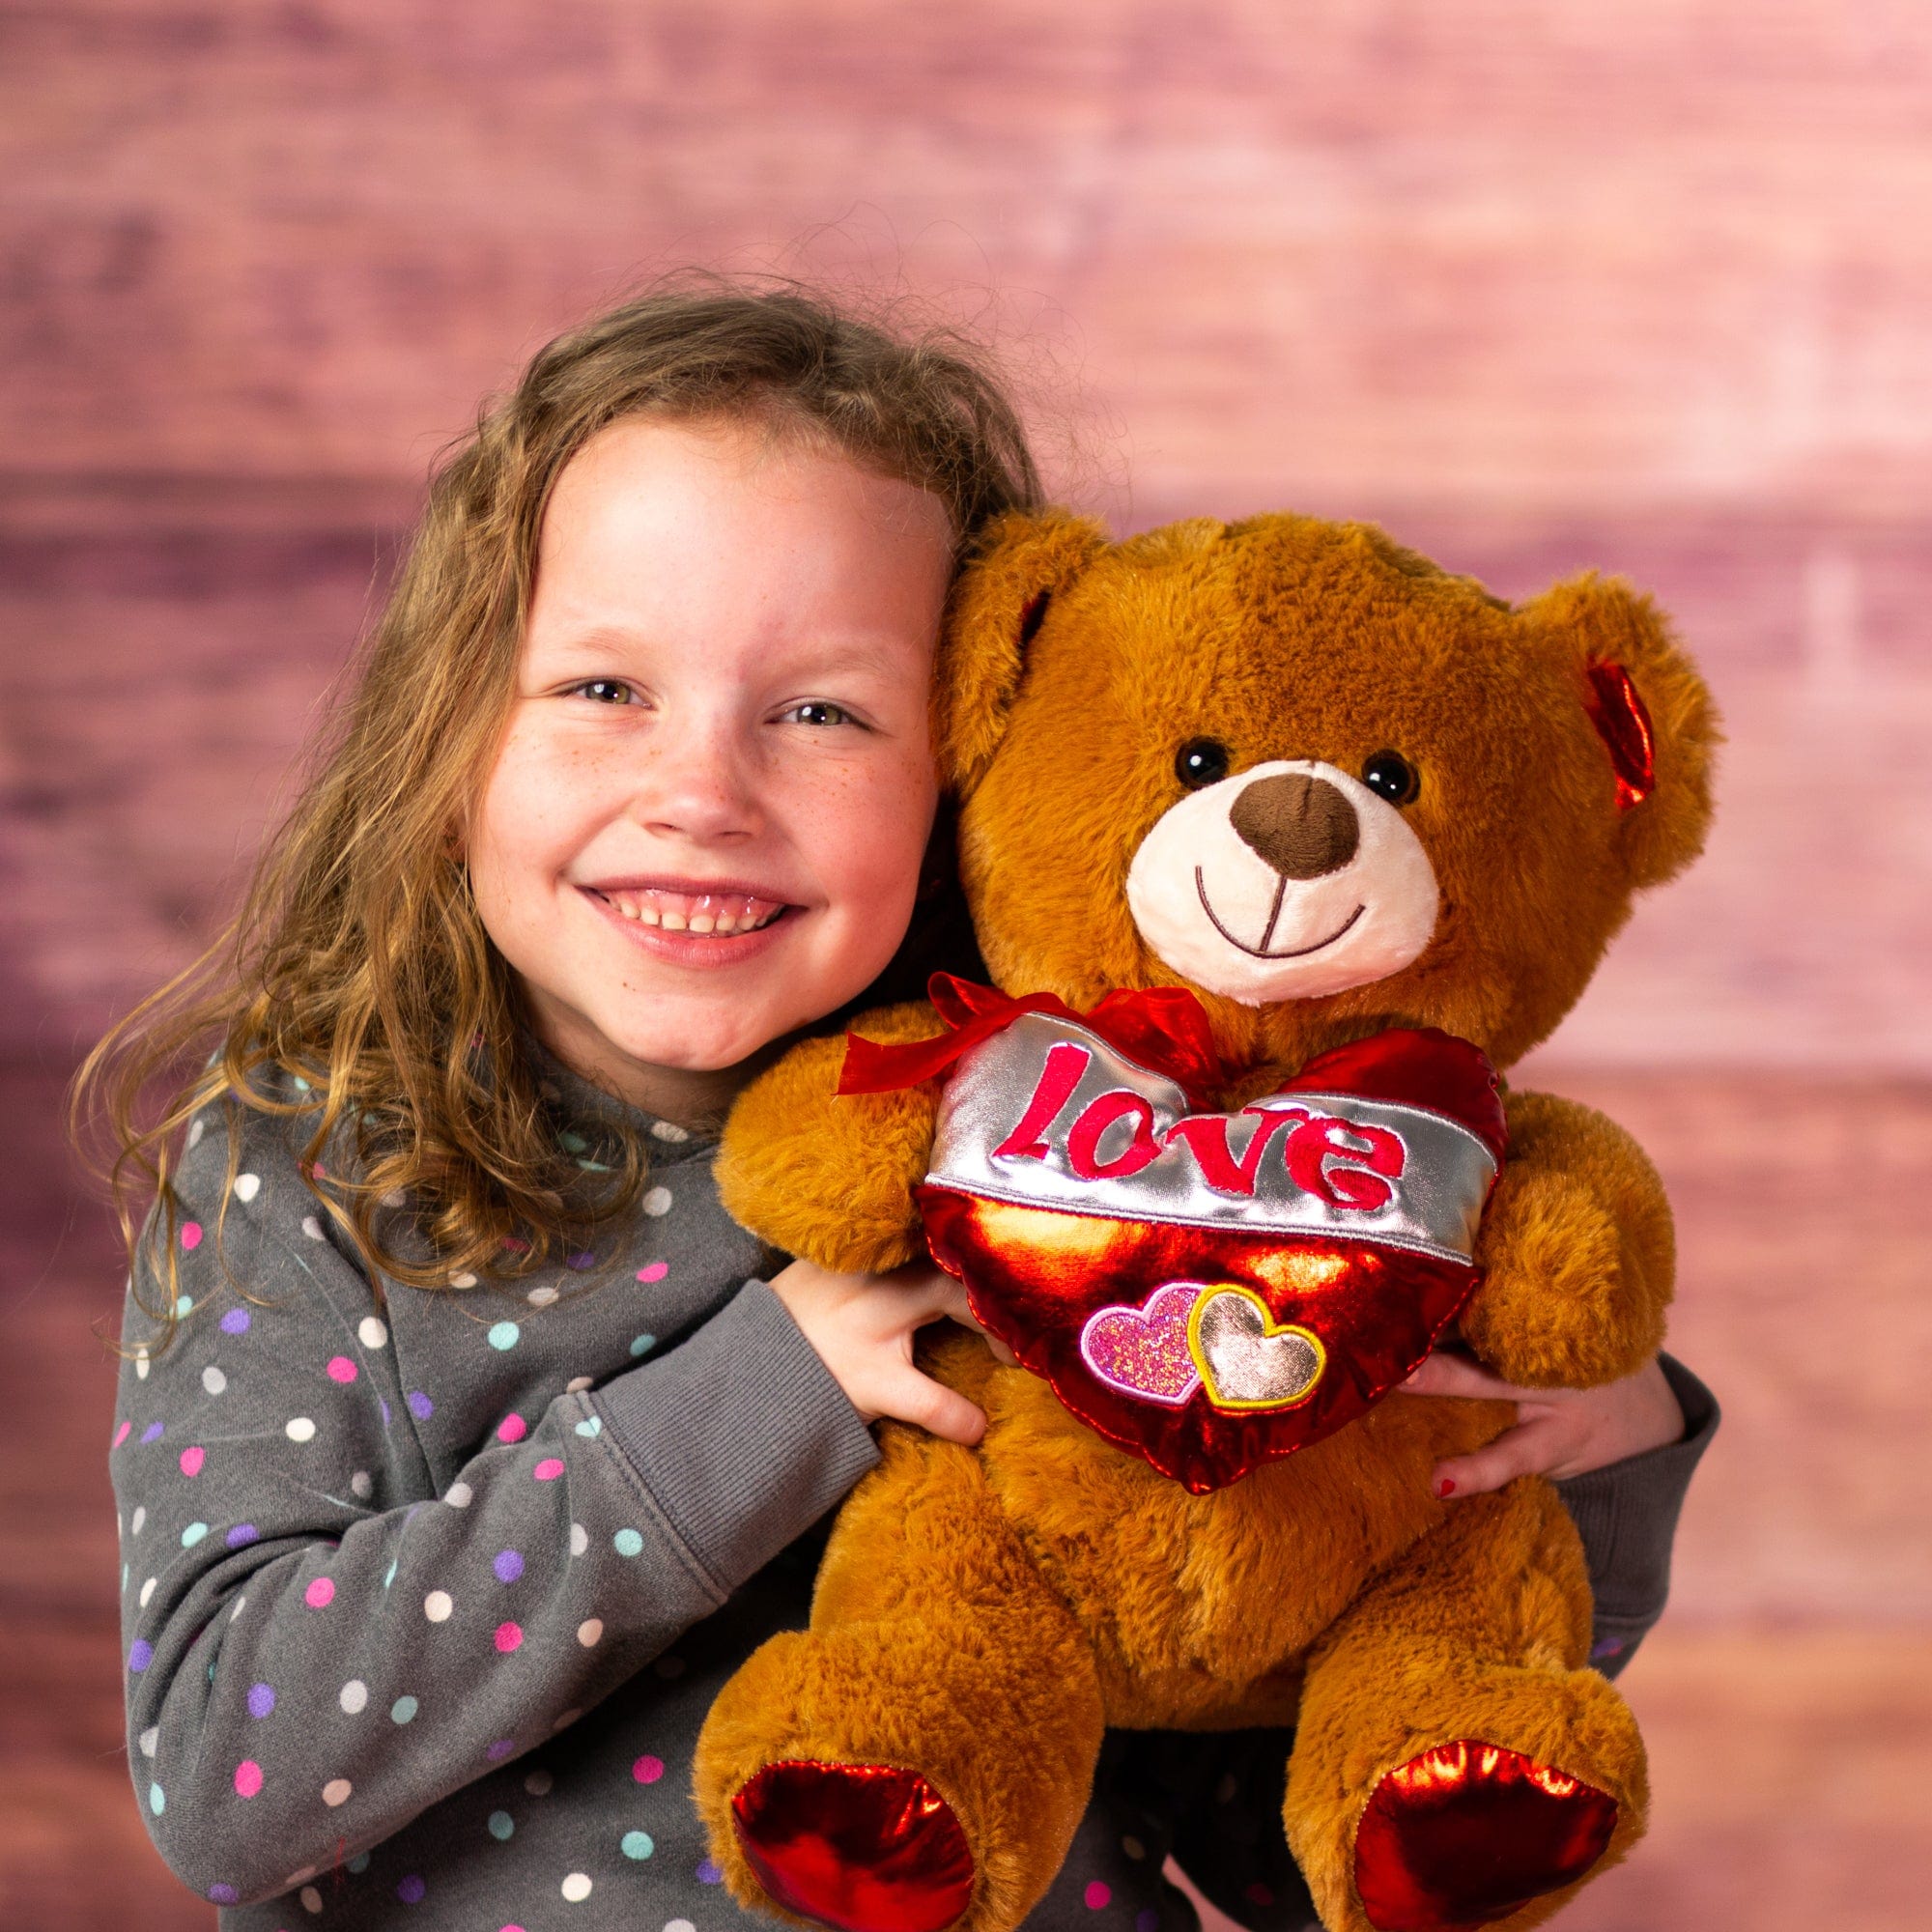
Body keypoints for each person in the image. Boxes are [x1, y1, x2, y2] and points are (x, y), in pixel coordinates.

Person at [76, 279, 1717, 1932]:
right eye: (601, 690)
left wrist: (1582, 1465)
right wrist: (764, 1393)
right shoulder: (307, 1161)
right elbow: (233, 1774)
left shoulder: (1090, 1167)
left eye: (821, 714)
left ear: (966, 764)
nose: (701, 794)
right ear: (446, 738)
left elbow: (1274, 1839)